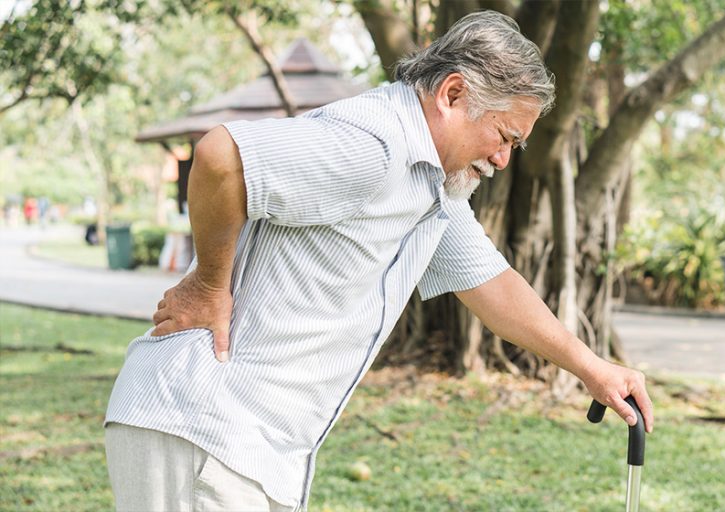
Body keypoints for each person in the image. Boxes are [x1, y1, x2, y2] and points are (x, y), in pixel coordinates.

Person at [104, 11, 654, 512]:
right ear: (454, 94)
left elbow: (496, 287)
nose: (504, 159)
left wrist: (592, 369)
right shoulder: (377, 145)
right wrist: (206, 286)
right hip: (203, 427)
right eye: (505, 136)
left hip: (244, 448)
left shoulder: (432, 187)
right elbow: (220, 157)